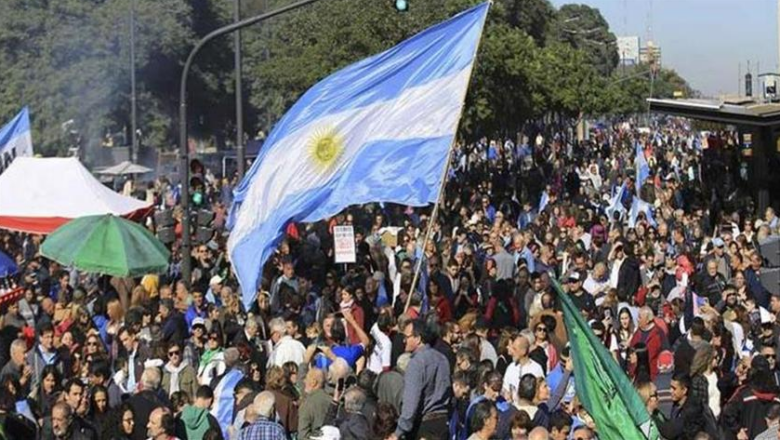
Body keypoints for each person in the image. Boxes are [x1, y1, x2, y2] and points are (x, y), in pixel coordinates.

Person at [392, 319, 451, 440]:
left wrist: (398, 432)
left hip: (423, 427)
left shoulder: (416, 363)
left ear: (418, 339)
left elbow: (411, 403)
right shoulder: (443, 359)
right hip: (443, 424)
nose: (404, 340)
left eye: (406, 337)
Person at [658, 373, 706, 440]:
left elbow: (671, 432)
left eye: (674, 388)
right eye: (670, 387)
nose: (670, 391)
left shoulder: (692, 409)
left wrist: (653, 419)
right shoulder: (677, 404)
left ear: (684, 390)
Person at [298, 368, 331, 440]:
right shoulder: (331, 400)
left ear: (313, 382)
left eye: (306, 378)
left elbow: (302, 435)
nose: (304, 381)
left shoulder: (308, 404)